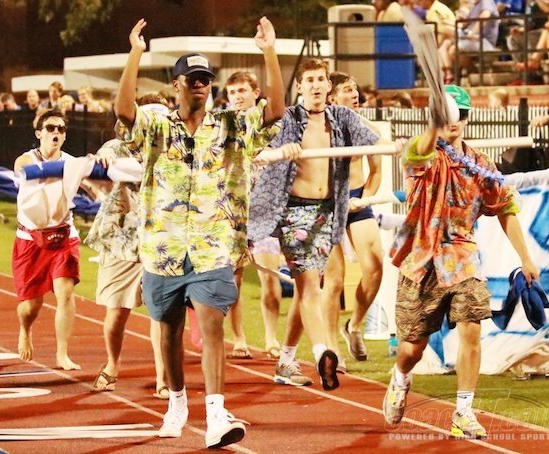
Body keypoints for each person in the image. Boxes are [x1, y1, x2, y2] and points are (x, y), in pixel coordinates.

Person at [114, 17, 284, 448]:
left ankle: (216, 414)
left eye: (205, 79)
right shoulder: (156, 125)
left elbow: (274, 113)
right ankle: (176, 403)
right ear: (176, 85)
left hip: (213, 246)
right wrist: (136, 53)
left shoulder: (231, 125)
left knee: (211, 327)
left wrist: (269, 52)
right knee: (169, 331)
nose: (200, 86)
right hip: (163, 246)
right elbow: (124, 113)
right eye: (192, 79)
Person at [383, 85, 540, 439]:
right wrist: (436, 119)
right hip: (420, 259)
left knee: (472, 327)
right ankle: (400, 378)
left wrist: (526, 258)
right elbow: (421, 151)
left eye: (461, 115)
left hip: (462, 256)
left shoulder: (481, 164)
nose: (455, 122)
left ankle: (464, 411)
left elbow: (506, 209)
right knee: (411, 348)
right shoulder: (420, 150)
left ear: (468, 118)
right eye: (448, 116)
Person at [248, 59, 380, 391]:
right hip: (294, 212)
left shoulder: (342, 118)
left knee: (305, 288)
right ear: (300, 87)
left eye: (321, 79)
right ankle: (323, 352)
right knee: (311, 286)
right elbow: (259, 148)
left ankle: (286, 360)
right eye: (310, 80)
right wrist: (281, 150)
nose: (317, 85)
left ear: (327, 86)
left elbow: (375, 139)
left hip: (328, 212)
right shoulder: (289, 119)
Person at [87, 94, 171, 399]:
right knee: (117, 313)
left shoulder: (174, 148)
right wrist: (102, 162)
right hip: (121, 239)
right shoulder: (118, 146)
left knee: (161, 313)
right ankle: (112, 364)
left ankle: (164, 379)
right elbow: (102, 158)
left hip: (160, 239)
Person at [321, 71, 384, 371]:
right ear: (332, 98)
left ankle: (354, 325)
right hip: (327, 202)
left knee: (375, 266)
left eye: (355, 88)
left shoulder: (366, 127)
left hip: (357, 198)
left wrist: (366, 197)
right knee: (334, 280)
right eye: (347, 89)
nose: (355, 94)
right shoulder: (320, 128)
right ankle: (332, 348)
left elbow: (377, 171)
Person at [12, 109, 83, 371]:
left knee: (65, 293)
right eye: (50, 128)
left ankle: (62, 353)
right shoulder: (26, 159)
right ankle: (25, 329)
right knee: (30, 306)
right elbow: (23, 169)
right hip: (30, 239)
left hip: (63, 236)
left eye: (61, 129)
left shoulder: (73, 162)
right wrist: (79, 167)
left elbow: (93, 183)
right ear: (38, 133)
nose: (56, 132)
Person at [223, 70, 282, 360]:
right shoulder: (221, 124)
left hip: (263, 215)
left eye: (242, 91)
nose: (237, 97)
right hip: (232, 215)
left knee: (270, 279)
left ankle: (271, 338)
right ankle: (239, 338)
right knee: (233, 282)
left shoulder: (268, 122)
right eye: (233, 92)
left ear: (255, 93)